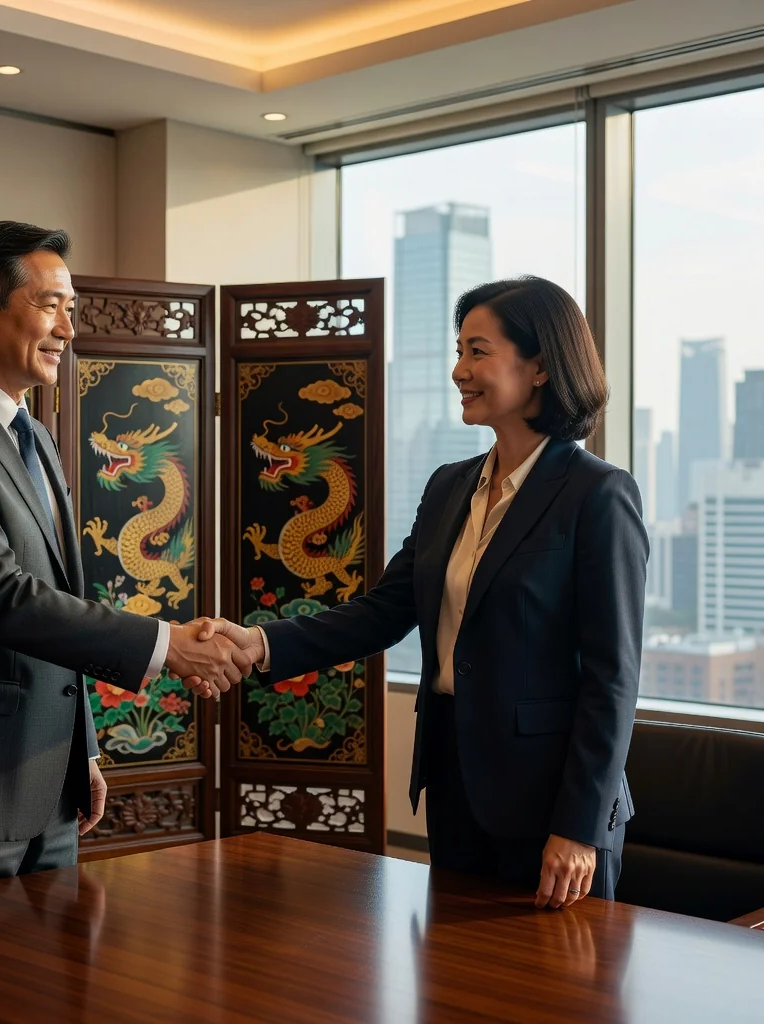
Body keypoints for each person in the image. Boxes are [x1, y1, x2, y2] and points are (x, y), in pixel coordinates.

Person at [199, 276, 648, 908]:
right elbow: (384, 611)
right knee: (456, 990)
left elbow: (613, 677)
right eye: (458, 350)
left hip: (553, 803)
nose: (459, 369)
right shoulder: (450, 486)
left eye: (477, 351)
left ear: (540, 365)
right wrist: (259, 644)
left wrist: (577, 827)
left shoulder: (598, 494)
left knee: (563, 997)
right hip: (455, 780)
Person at [0, 221, 248, 896]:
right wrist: (168, 646)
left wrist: (85, 751)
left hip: (50, 782)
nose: (69, 329)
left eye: (72, 309)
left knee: (46, 994)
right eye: (51, 306)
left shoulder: (32, 432)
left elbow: (60, 596)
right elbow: (1, 598)